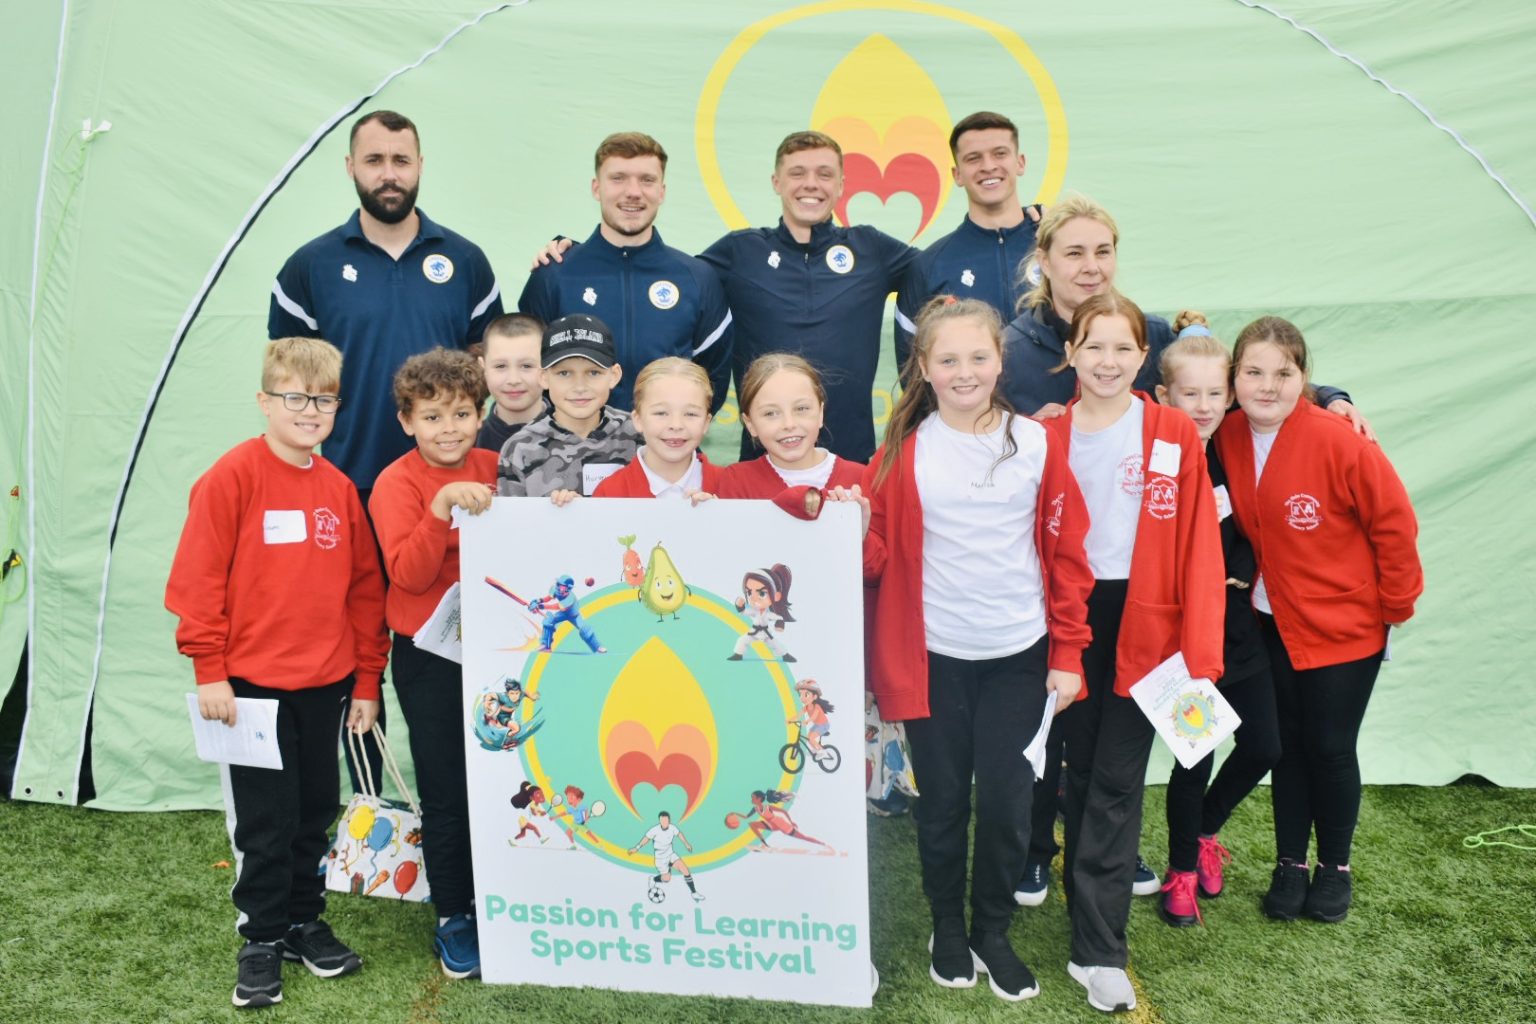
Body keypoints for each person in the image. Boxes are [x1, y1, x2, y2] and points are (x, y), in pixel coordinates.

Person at [1008, 196, 1362, 906]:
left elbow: (1237, 377)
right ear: (1044, 262)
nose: (1090, 265)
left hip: (1155, 587)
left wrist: (1327, 395)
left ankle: (1148, 849)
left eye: (1102, 250)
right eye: (1073, 252)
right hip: (1064, 579)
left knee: (1135, 733)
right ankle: (1036, 851)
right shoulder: (1017, 346)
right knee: (1057, 730)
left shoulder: (1160, 330)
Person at [851, 296, 1094, 1002]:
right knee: (945, 801)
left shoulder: (1038, 444)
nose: (964, 372)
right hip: (935, 658)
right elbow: (874, 558)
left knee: (1011, 805)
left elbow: (1068, 554)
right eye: (948, 360)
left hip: (1019, 654)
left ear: (1000, 360)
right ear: (923, 367)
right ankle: (947, 930)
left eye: (978, 357)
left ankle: (992, 929)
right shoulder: (901, 451)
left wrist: (1068, 653)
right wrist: (846, 524)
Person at [165, 337, 388, 1010]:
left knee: (315, 811)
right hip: (248, 691)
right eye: (294, 397)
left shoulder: (339, 489)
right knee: (266, 820)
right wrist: (211, 670)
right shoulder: (232, 477)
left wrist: (368, 681)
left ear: (337, 408)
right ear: (265, 401)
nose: (309, 410)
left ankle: (301, 923)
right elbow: (198, 580)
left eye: (322, 400)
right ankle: (260, 938)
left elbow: (364, 590)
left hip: (325, 685)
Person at [1041, 290, 1224, 1013]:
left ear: (1143, 357)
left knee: (1116, 783)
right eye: (1094, 346)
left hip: (1147, 629)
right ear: (1071, 354)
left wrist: (1199, 657)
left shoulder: (1174, 430)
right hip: (1065, 623)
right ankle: (1080, 905)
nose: (1108, 361)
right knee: (1077, 775)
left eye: (1123, 348)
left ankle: (1099, 949)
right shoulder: (1043, 434)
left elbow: (1200, 552)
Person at [1214, 316, 1422, 925]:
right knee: (1287, 749)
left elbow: (1394, 524)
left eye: (1283, 373)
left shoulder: (1338, 438)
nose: (1267, 386)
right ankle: (1289, 864)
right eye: (1253, 372)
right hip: (1270, 622)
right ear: (1234, 378)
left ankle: (1334, 866)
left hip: (1346, 626)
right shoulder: (1225, 434)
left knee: (1329, 747)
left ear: (1304, 378)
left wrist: (1394, 611)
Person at [268, 109, 503, 496]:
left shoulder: (467, 261)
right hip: (347, 478)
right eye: (374, 160)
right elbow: (291, 383)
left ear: (420, 166)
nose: (389, 174)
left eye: (401, 160)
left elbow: (487, 366)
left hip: (453, 482)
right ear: (350, 166)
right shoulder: (310, 266)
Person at [368, 347, 496, 979]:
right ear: (407, 421)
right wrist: (440, 507)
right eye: (433, 415)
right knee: (447, 789)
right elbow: (408, 576)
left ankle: (508, 895)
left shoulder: (501, 464)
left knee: (505, 779)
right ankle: (454, 912)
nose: (449, 428)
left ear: (481, 414)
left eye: (463, 413)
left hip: (500, 649)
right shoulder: (395, 483)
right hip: (428, 656)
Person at [1153, 313, 1283, 927]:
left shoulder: (1234, 445)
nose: (1202, 406)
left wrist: (1337, 400)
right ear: (1164, 396)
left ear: (1228, 395)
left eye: (1214, 393)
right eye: (1189, 393)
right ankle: (1180, 872)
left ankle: (1205, 831)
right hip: (1182, 638)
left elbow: (1287, 385)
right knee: (1194, 757)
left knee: (1265, 743)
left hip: (1238, 629)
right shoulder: (1156, 460)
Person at [518, 132, 732, 412]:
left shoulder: (697, 278)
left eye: (647, 180)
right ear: (597, 188)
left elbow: (711, 380)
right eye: (618, 178)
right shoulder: (554, 274)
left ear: (662, 191)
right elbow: (530, 368)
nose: (633, 191)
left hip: (664, 450)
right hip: (571, 452)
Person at [894, 111, 1041, 362]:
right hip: (971, 403)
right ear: (957, 174)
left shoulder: (1060, 246)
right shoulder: (929, 265)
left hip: (1059, 402)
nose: (988, 166)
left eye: (1000, 153)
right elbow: (914, 372)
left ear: (1021, 162)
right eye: (974, 158)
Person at [497, 314, 639, 498]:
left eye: (594, 372)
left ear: (614, 375)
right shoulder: (519, 449)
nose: (579, 387)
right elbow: (510, 523)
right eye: (564, 373)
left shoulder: (641, 435)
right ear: (543, 378)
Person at [717, 353, 865, 497]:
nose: (789, 424)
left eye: (801, 409)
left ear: (820, 413)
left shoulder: (862, 479)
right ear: (750, 424)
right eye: (771, 413)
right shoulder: (736, 482)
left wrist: (862, 520)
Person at [593, 358, 724, 498]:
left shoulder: (729, 486)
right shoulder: (609, 492)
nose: (676, 425)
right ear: (638, 419)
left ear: (706, 422)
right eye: (661, 413)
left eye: (690, 414)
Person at [475, 313, 545, 453]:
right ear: (483, 368)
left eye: (526, 366)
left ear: (548, 367)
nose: (513, 380)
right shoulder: (467, 443)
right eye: (500, 366)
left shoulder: (578, 437)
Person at [629, 811, 703, 902]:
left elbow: (679, 834)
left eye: (666, 821)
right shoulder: (654, 830)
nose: (664, 823)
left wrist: (686, 844)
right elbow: (646, 838)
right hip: (660, 858)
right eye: (662, 821)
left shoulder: (672, 828)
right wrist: (637, 848)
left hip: (671, 854)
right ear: (660, 821)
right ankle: (654, 879)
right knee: (667, 879)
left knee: (685, 870)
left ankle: (694, 893)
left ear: (669, 820)